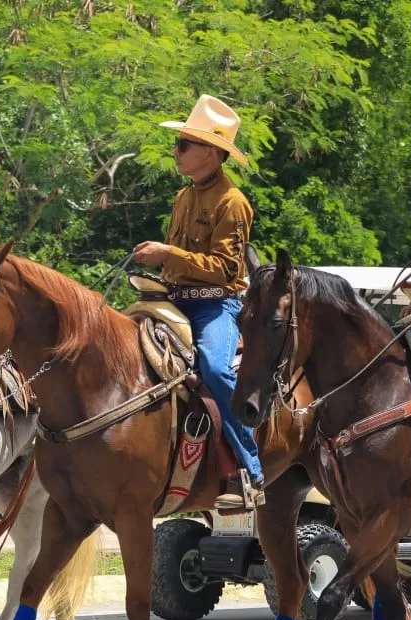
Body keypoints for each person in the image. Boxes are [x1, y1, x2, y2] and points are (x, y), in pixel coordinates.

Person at [132, 94, 263, 510]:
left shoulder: (233, 202)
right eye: (180, 143)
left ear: (210, 152)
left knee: (215, 368)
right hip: (172, 300)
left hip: (214, 305)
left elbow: (227, 269)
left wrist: (168, 255)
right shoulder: (183, 197)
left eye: (184, 144)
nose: (176, 151)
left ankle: (249, 469)